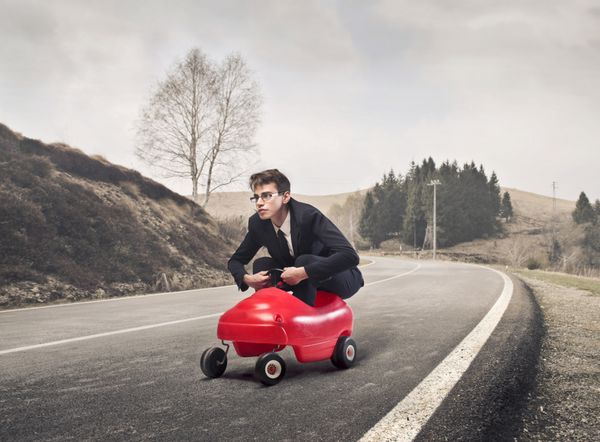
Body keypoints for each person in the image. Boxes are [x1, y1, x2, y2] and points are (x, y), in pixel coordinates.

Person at [228, 169, 364, 306]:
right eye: (256, 197)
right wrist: (247, 279)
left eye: (267, 196)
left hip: (338, 275)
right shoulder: (258, 224)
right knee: (262, 264)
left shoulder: (308, 216)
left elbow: (350, 256)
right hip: (293, 277)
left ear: (286, 197)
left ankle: (302, 319)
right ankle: (268, 314)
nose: (259, 203)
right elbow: (235, 261)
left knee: (304, 260)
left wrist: (304, 272)